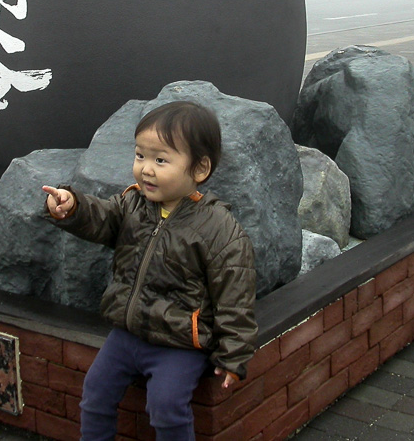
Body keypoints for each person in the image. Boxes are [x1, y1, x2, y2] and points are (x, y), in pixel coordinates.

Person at [42, 101, 257, 441]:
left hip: (179, 344)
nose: (145, 169)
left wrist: (233, 355)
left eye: (160, 160)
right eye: (140, 156)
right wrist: (72, 207)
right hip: (127, 334)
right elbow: (101, 217)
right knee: (95, 394)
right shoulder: (132, 204)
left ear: (199, 169)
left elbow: (236, 294)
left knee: (167, 408)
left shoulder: (218, 228)